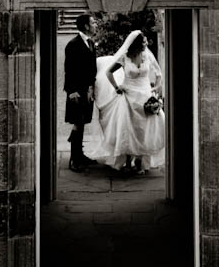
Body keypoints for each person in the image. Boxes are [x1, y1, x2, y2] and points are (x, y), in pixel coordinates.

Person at [91, 29, 165, 174]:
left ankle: (140, 161)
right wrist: (116, 87)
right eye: (143, 42)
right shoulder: (125, 57)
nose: (146, 44)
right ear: (136, 44)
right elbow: (108, 72)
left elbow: (159, 74)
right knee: (128, 129)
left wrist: (156, 87)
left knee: (144, 129)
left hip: (145, 96)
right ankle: (126, 161)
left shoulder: (148, 56)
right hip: (128, 97)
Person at [63, 13, 98, 172]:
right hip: (76, 92)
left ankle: (80, 155)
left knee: (82, 122)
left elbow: (92, 69)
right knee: (77, 123)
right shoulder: (73, 44)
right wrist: (72, 92)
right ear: (86, 26)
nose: (96, 24)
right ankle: (73, 159)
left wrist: (91, 88)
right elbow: (69, 70)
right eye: (93, 22)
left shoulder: (90, 43)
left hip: (87, 91)